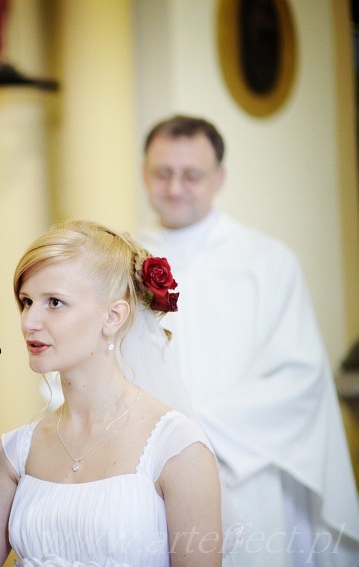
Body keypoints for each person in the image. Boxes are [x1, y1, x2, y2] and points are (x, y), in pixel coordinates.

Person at [138, 114, 359, 566]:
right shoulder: (124, 258)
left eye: (191, 175)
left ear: (219, 178)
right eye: (162, 173)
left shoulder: (267, 261)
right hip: (145, 469)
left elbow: (299, 378)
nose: (175, 187)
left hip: (244, 466)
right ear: (144, 173)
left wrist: (195, 429)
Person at [0, 219, 224, 566]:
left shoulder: (178, 450)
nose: (29, 321)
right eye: (27, 301)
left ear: (113, 316)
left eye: (55, 302)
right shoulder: (13, 452)